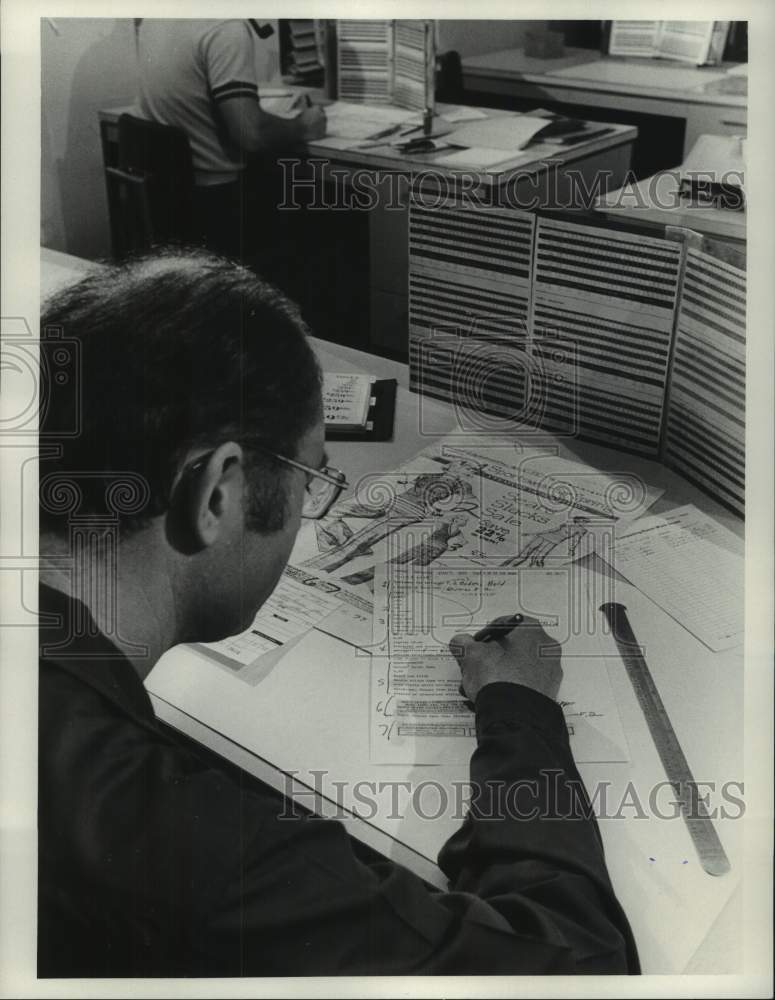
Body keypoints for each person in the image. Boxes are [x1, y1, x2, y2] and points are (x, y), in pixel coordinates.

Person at [38, 249, 639, 977]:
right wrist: (520, 715)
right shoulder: (184, 844)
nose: (310, 507)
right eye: (309, 476)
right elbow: (578, 966)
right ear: (218, 497)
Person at [136, 19, 326, 263]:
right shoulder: (225, 28)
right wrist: (302, 127)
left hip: (167, 203)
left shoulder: (154, 18)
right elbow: (250, 133)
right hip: (217, 207)